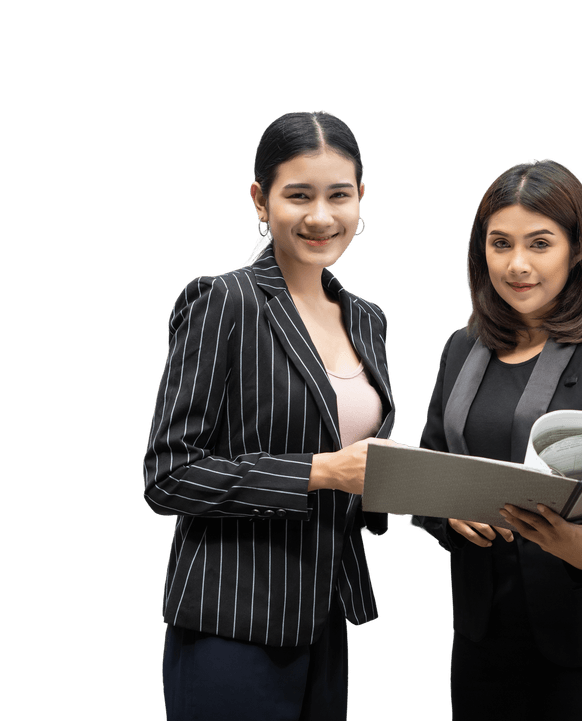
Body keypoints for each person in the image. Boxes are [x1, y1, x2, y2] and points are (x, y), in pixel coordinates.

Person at [143, 110, 395, 721]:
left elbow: (360, 462)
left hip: (324, 615)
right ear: (261, 200)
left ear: (361, 199)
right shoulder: (224, 301)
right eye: (298, 195)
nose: (321, 217)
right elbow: (169, 475)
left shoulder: (367, 320)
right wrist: (321, 472)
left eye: (339, 195)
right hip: (231, 618)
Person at [411, 159, 582, 721]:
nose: (517, 264)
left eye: (540, 243)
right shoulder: (460, 347)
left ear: (577, 252)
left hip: (580, 640)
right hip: (480, 634)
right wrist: (445, 514)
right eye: (500, 244)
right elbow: (428, 466)